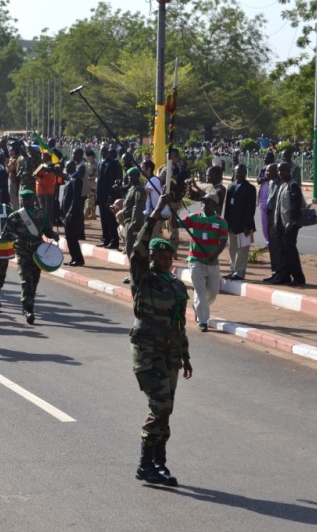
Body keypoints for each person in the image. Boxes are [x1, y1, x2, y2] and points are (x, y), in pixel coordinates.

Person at [129, 192, 192, 486]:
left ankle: (159, 463)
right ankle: (145, 464)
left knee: (167, 408)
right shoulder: (143, 277)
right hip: (148, 351)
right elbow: (137, 249)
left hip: (170, 353)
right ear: (152, 257)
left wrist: (185, 355)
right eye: (161, 256)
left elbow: (179, 323)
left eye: (170, 257)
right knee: (160, 406)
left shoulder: (177, 285)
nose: (166, 260)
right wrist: (155, 212)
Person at [1, 189, 60, 324]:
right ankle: (28, 308)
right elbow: (6, 234)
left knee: (34, 280)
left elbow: (47, 231)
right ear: (21, 201)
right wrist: (16, 237)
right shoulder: (15, 216)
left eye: (29, 199)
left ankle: (29, 301)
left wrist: (53, 235)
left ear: (33, 200)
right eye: (24, 200)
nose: (26, 202)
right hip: (23, 251)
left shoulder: (41, 214)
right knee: (26, 279)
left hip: (38, 251)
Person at [178, 193, 228, 332]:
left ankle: (198, 306)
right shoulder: (194, 217)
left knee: (213, 290)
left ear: (215, 205)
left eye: (208, 202)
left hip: (212, 262)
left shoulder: (221, 222)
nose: (204, 204)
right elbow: (176, 224)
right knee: (200, 291)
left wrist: (215, 255)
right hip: (195, 260)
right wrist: (171, 209)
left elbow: (223, 241)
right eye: (204, 202)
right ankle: (203, 321)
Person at [272, 161, 306, 286]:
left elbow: (296, 205)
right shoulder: (283, 184)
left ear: (289, 171)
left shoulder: (293, 185)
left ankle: (298, 278)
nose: (280, 173)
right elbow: (279, 206)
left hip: (290, 225)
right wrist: (275, 224)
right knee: (283, 252)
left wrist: (292, 222)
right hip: (281, 224)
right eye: (279, 171)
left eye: (283, 170)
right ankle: (284, 276)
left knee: (291, 252)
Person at [223, 164, 257, 280]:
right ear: (234, 172)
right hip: (232, 224)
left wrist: (247, 225)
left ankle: (239, 272)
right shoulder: (231, 186)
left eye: (242, 172)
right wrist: (225, 223)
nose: (240, 174)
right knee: (232, 248)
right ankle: (232, 270)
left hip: (244, 225)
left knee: (242, 249)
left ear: (245, 173)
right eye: (238, 172)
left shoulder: (250, 188)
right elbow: (227, 206)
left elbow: (251, 209)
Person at [121, 167, 147, 282]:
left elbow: (138, 209)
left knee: (132, 250)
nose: (130, 178)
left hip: (134, 224)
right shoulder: (133, 188)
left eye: (132, 176)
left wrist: (133, 226)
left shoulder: (139, 190)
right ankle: (133, 274)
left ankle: (135, 275)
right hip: (128, 222)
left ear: (137, 176)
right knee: (129, 249)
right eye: (129, 176)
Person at [59, 160, 85, 267]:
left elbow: (75, 198)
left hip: (72, 215)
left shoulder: (76, 179)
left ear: (72, 167)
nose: (66, 168)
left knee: (72, 237)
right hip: (66, 213)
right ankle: (73, 257)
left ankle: (78, 258)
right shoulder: (71, 178)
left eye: (67, 166)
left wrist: (70, 212)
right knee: (69, 237)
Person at [95, 146, 121, 249]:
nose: (102, 152)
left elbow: (111, 181)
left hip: (108, 195)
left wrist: (110, 195)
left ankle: (114, 240)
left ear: (108, 152)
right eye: (101, 151)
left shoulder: (112, 163)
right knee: (103, 219)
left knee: (110, 219)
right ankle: (106, 239)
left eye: (104, 151)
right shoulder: (100, 162)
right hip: (101, 195)